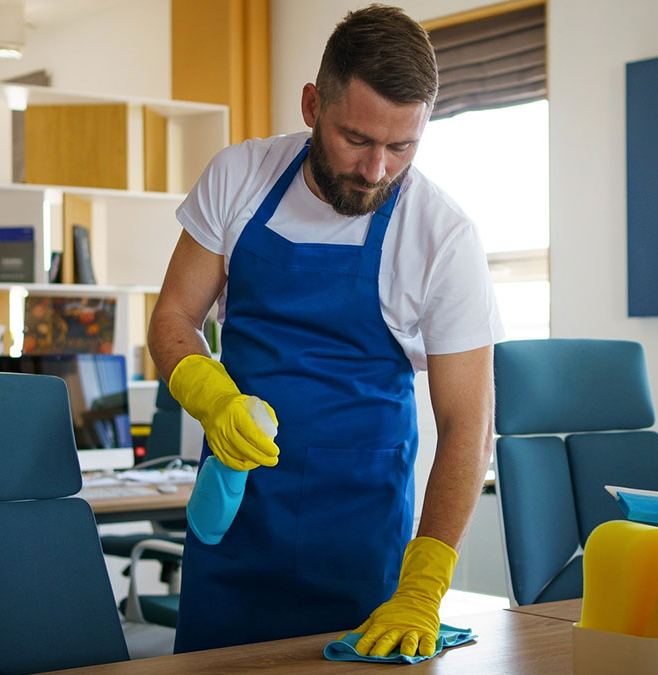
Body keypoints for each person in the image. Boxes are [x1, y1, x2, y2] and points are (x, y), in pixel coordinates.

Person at [150, 3, 503, 657]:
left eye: (402, 146)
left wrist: (425, 584)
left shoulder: (442, 236)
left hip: (361, 554)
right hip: (234, 532)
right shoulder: (239, 177)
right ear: (313, 104)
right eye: (357, 139)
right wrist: (210, 394)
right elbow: (173, 317)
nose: (376, 170)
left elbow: (469, 426)